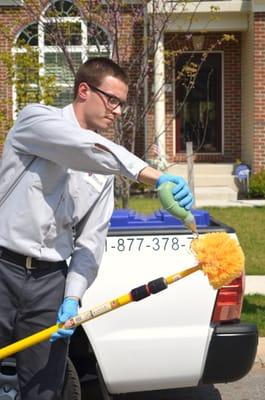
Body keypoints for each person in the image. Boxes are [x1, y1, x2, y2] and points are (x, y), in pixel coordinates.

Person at [0, 57, 193, 400]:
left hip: (49, 286)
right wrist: (155, 176)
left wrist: (72, 296)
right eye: (112, 100)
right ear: (84, 91)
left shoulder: (104, 171)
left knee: (43, 392)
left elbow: (91, 242)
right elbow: (82, 149)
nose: (118, 111)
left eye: (123, 103)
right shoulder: (35, 121)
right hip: (3, 268)